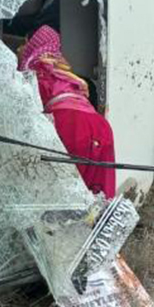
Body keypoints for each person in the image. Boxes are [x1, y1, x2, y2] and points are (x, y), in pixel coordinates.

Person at [17, 25, 116, 196]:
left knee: (70, 192)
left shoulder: (36, 67)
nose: (23, 48)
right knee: (98, 194)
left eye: (26, 43)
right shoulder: (63, 70)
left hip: (71, 125)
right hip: (99, 126)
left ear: (35, 44)